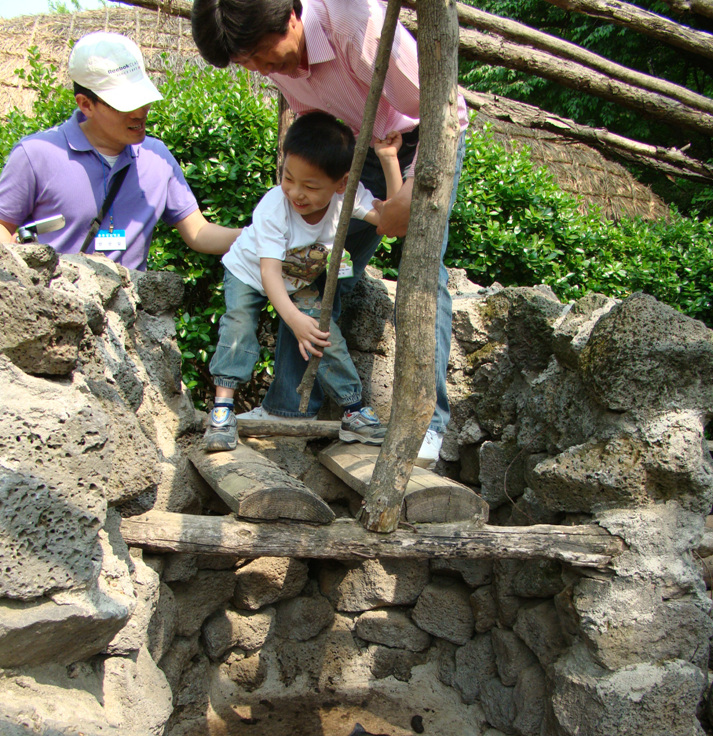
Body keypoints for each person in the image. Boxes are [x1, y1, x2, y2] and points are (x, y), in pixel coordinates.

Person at [191, 0, 468, 467]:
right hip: (351, 156)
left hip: (417, 142)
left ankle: (427, 425)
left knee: (423, 275)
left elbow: (445, 110)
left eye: (263, 53)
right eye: (249, 64)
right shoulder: (271, 59)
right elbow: (318, 121)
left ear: (292, 15)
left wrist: (410, 182)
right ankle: (288, 408)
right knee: (312, 273)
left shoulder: (353, 22)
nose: (263, 68)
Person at [204, 110, 403, 452]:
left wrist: (388, 161)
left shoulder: (348, 197)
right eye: (288, 178)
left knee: (323, 335)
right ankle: (222, 410)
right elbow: (268, 273)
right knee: (239, 327)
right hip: (250, 273)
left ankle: (353, 410)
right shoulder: (273, 207)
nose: (296, 193)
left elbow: (393, 221)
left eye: (310, 186)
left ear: (341, 183)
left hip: (297, 280)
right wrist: (294, 320)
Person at [0, 31, 241, 271]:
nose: (139, 112)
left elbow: (198, 231)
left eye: (142, 98)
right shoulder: (35, 155)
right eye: (124, 103)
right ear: (86, 104)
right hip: (57, 304)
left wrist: (257, 236)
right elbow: (3, 226)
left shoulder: (157, 157)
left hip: (129, 305)